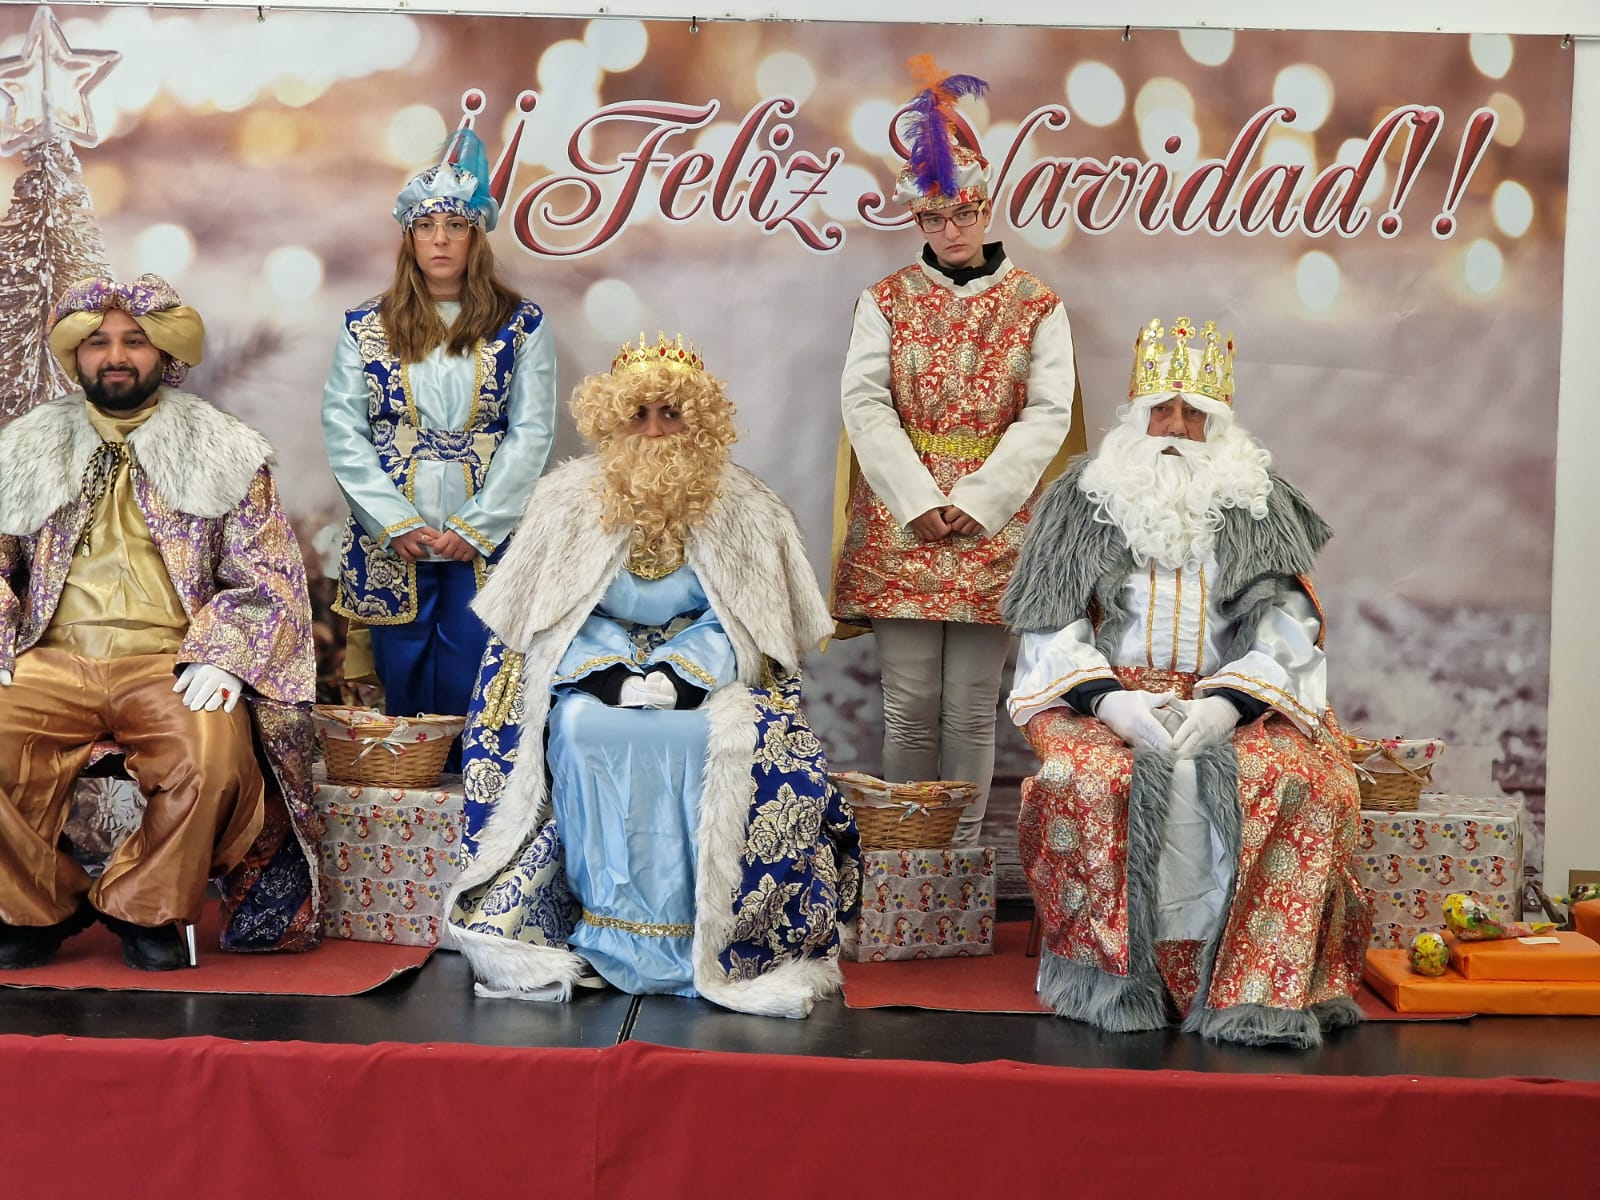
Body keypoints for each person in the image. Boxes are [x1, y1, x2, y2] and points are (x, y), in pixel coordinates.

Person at [447, 333, 860, 1019]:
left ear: (699, 421)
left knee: (711, 739)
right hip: (589, 678)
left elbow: (744, 623)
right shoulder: (565, 501)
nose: (655, 429)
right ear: (613, 419)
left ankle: (698, 936)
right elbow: (555, 620)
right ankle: (604, 930)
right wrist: (609, 673)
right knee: (581, 729)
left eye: (671, 413)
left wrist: (681, 673)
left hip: (710, 679)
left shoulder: (746, 507)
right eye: (638, 414)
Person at [1001, 316, 1372, 1048]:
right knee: (1088, 780)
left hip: (1234, 698)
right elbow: (1048, 622)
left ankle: (1255, 992)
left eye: (1194, 414)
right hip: (1104, 699)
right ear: (1136, 414)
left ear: (1219, 423)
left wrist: (1229, 704)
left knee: (1298, 783)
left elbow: (1288, 626)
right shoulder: (1082, 498)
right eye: (1161, 410)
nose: (1175, 428)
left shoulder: (1257, 501)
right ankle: (1117, 982)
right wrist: (1109, 701)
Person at [0, 274, 323, 971]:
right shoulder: (22, 450)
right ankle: (37, 903)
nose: (116, 356)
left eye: (135, 341)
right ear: (77, 355)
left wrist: (223, 653)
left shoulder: (225, 451)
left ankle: (142, 906)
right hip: (47, 657)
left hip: (169, 662)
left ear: (163, 354)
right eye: (98, 342)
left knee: (212, 757)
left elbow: (267, 574)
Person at [831, 67, 1081, 846]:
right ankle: (908, 855)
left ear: (985, 206)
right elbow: (865, 404)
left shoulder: (1037, 304)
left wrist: (977, 499)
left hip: (991, 527)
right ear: (918, 218)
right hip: (902, 523)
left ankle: (960, 862)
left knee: (973, 706)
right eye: (935, 217)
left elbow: (1048, 412)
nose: (952, 229)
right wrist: (915, 498)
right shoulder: (885, 299)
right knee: (908, 703)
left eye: (964, 211)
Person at [322, 128, 556, 731]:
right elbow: (344, 428)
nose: (441, 239)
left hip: (487, 534)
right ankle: (410, 773)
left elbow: (531, 430)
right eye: (426, 226)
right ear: (409, 238)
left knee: (473, 664)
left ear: (477, 234)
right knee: (400, 666)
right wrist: (391, 521)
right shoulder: (366, 325)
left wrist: (478, 525)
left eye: (455, 225)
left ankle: (469, 774)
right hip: (395, 530)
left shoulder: (520, 325)